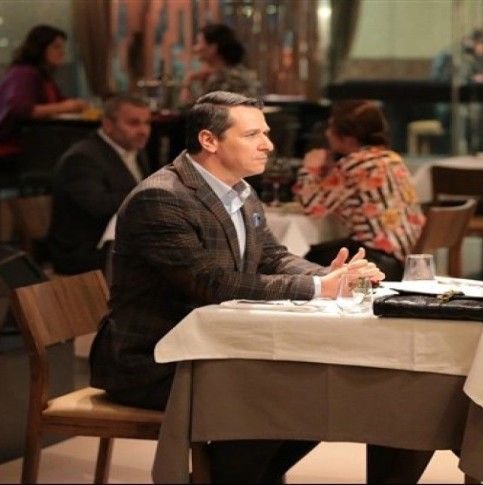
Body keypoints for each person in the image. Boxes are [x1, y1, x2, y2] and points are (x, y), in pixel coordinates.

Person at [89, 91, 384, 482]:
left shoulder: (241, 191)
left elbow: (273, 257)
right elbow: (213, 284)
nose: (268, 144)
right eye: (252, 135)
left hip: (214, 348)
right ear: (209, 140)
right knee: (279, 396)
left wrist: (329, 277)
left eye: (266, 133)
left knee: (316, 391)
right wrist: (318, 288)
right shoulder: (162, 198)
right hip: (152, 361)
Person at [293, 100, 425, 281]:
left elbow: (312, 208)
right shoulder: (392, 158)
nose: (327, 133)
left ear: (348, 138)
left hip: (381, 261)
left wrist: (309, 168)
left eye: (331, 128)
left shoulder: (355, 165)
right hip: (406, 258)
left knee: (301, 260)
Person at [49, 94, 152, 275]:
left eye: (147, 123)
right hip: (86, 252)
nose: (144, 130)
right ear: (108, 125)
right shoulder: (81, 158)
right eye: (134, 123)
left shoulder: (135, 150)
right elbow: (98, 206)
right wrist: (151, 196)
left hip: (123, 241)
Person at [0, 25, 87, 187]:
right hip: (16, 147)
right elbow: (19, 109)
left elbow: (61, 102)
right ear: (40, 48)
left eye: (62, 48)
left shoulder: (43, 76)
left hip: (38, 145)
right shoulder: (24, 73)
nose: (62, 52)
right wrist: (67, 107)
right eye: (56, 47)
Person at [178, 23, 260, 105]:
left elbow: (189, 108)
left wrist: (187, 81)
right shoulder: (235, 73)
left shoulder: (221, 79)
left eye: (198, 43)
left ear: (213, 48)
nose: (195, 48)